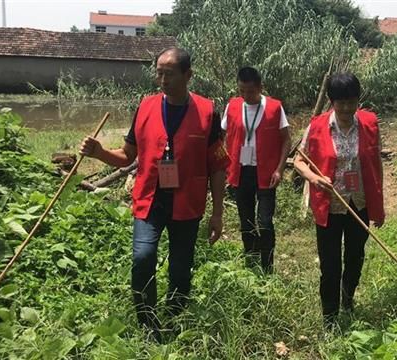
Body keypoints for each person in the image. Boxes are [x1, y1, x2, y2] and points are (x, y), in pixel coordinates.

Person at [80, 47, 228, 340]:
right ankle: (148, 323)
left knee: (181, 266)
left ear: (188, 75)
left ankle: (175, 317)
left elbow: (218, 165)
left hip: (188, 202)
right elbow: (126, 156)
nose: (162, 79)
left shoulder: (208, 112)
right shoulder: (145, 107)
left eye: (169, 74)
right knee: (143, 257)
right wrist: (99, 153)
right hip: (150, 199)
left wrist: (218, 214)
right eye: (158, 72)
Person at [293, 72, 385, 326]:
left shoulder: (369, 124)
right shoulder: (317, 126)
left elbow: (376, 164)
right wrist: (313, 178)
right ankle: (330, 316)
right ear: (331, 101)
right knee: (330, 264)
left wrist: (379, 203)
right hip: (330, 205)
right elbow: (299, 161)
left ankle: (348, 298)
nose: (346, 108)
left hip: (359, 204)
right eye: (340, 102)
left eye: (351, 101)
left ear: (358, 100)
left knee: (355, 257)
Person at [222, 67, 291, 273]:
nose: (246, 96)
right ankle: (250, 261)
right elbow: (223, 134)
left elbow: (286, 139)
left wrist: (279, 169)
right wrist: (225, 165)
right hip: (241, 171)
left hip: (267, 173)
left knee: (265, 221)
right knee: (246, 219)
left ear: (260, 87)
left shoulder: (274, 108)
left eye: (250, 91)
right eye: (241, 91)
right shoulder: (233, 106)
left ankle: (267, 266)